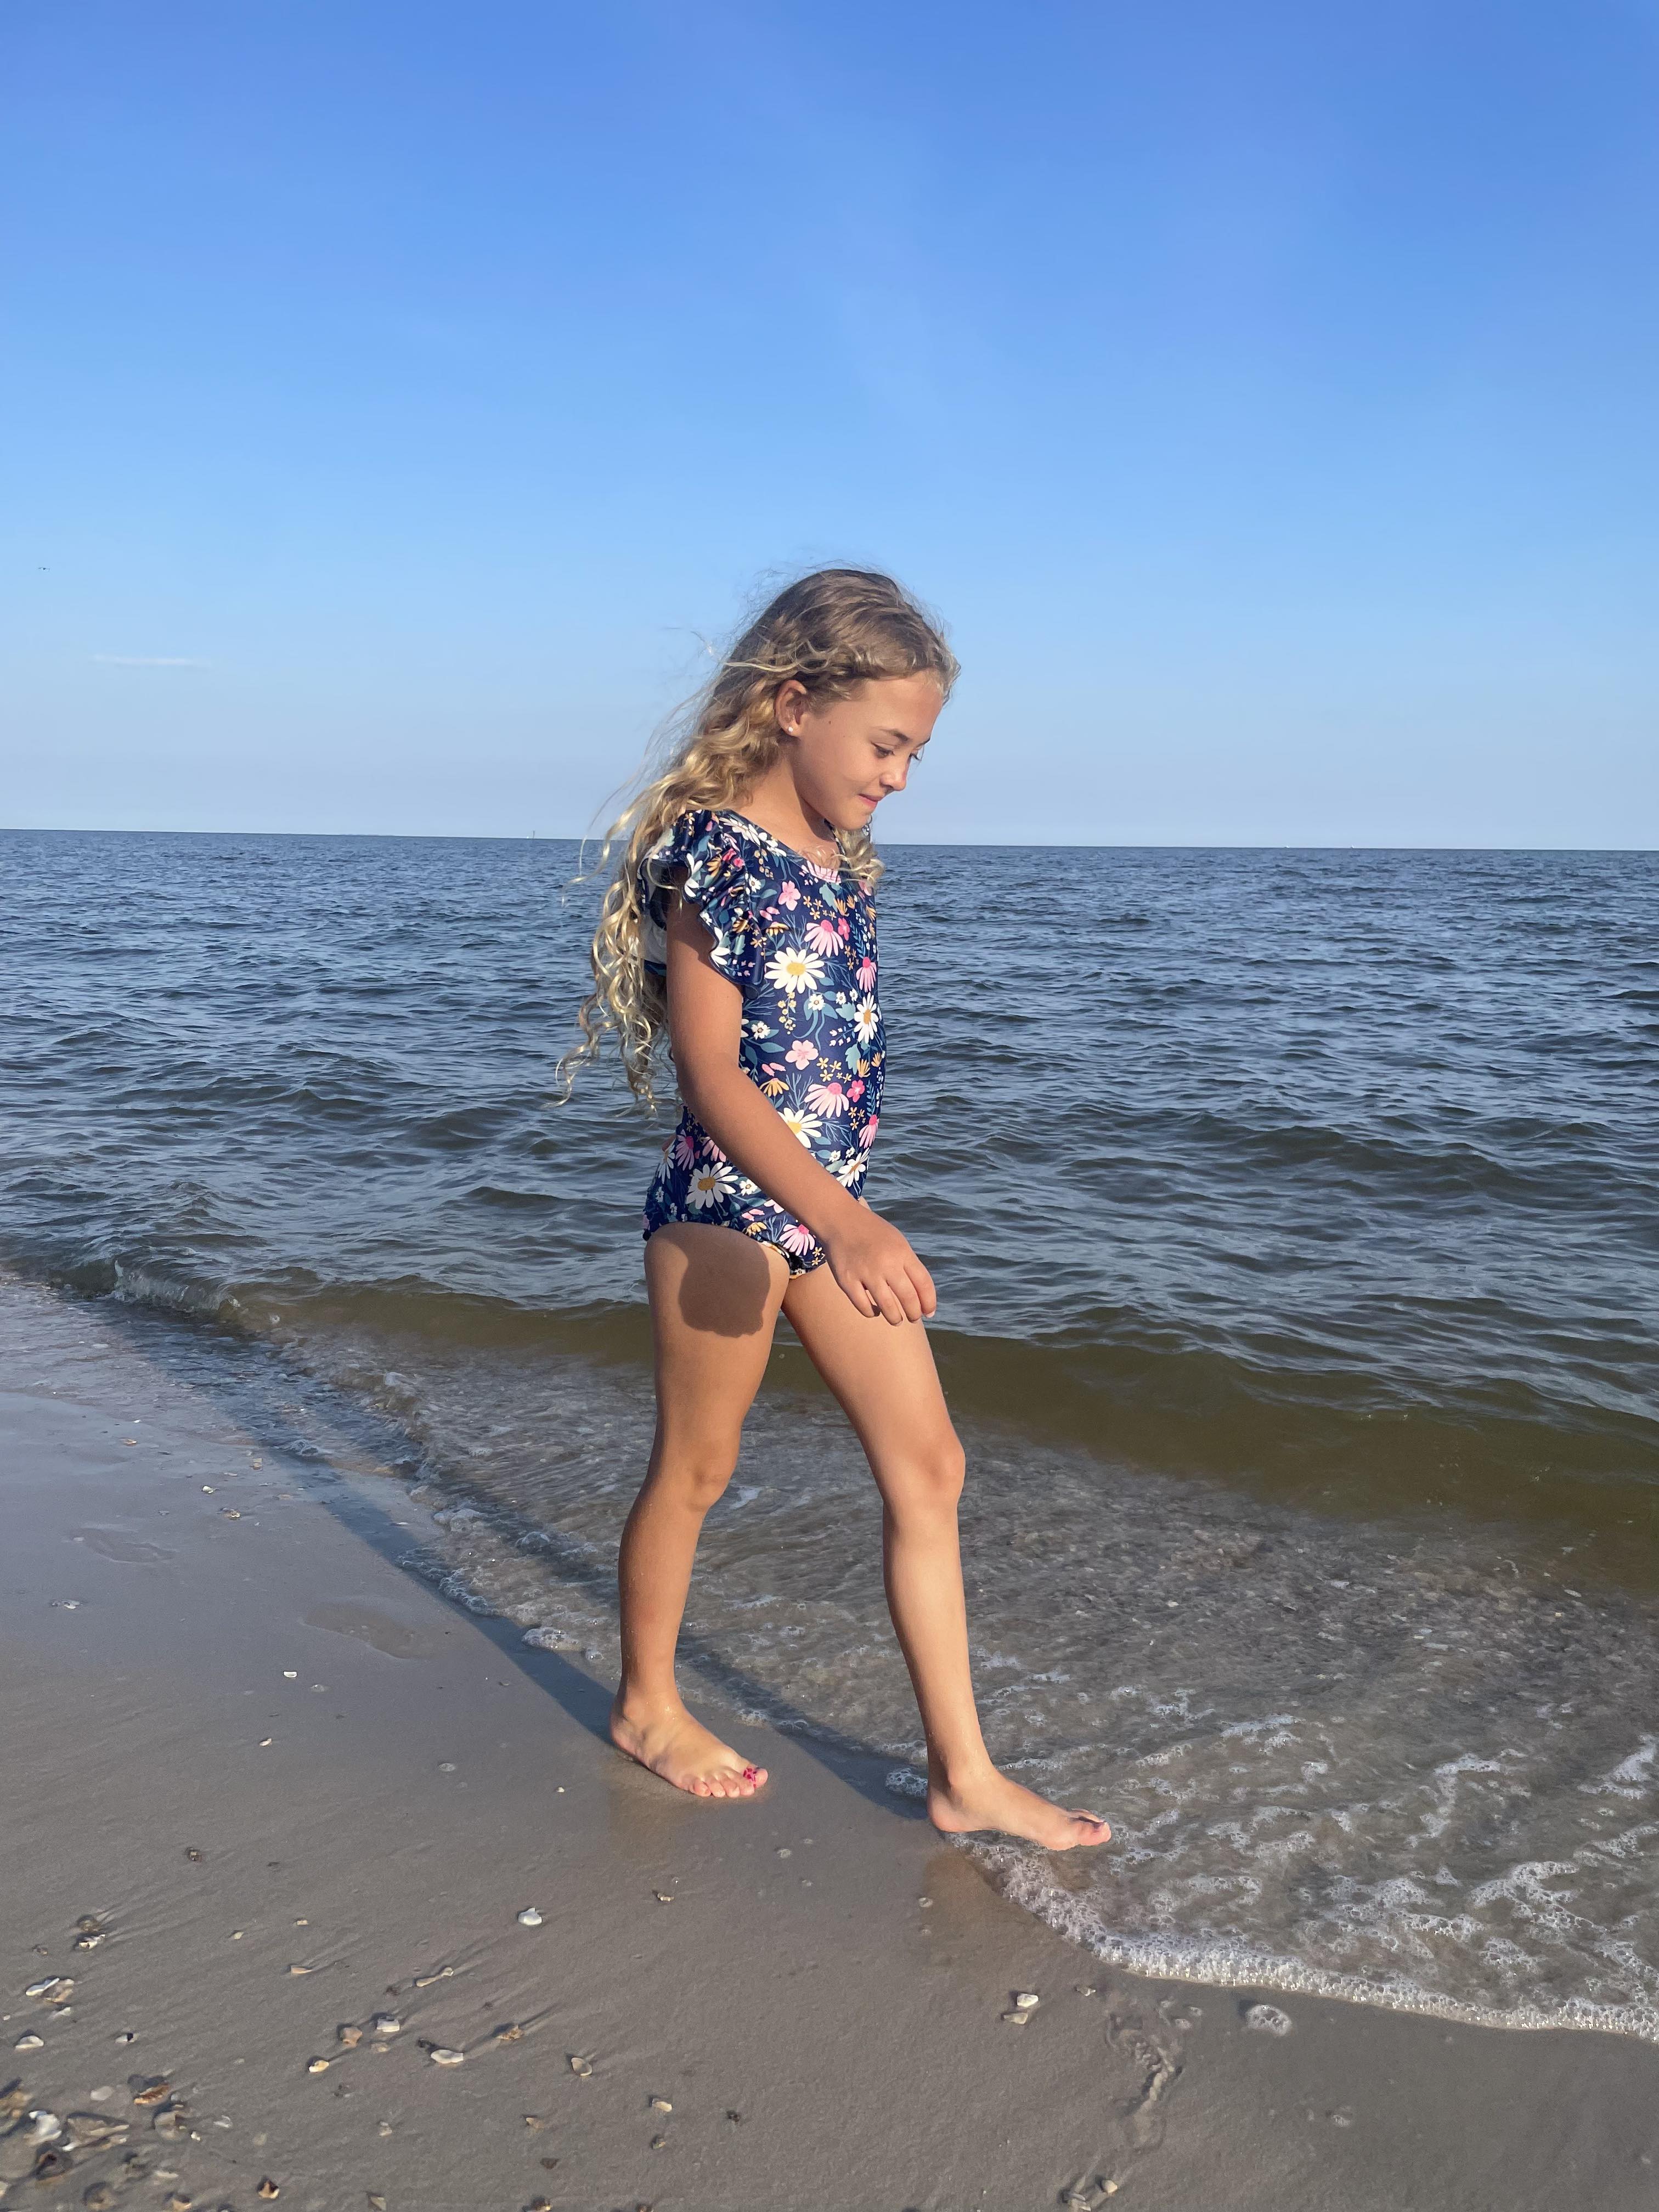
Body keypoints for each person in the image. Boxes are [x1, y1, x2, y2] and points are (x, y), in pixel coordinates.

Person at [561, 568, 1109, 1849]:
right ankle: (646, 1705)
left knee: (933, 1468)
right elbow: (715, 1080)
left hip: (824, 1209)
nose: (900, 777)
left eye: (915, 752)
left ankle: (964, 1775)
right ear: (793, 703)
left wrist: (844, 1214)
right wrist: (847, 1223)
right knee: (698, 1470)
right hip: (726, 1214)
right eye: (887, 746)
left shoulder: (835, 860)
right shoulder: (717, 856)